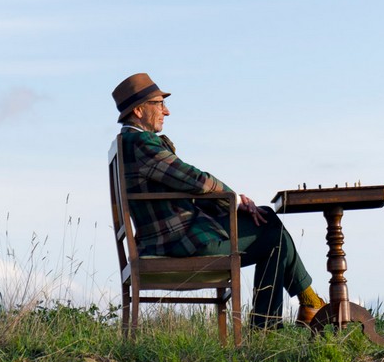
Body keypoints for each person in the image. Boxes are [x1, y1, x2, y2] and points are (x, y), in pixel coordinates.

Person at [111, 72, 326, 329]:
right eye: (159, 104)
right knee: (273, 236)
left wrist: (234, 206)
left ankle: (305, 305)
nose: (166, 111)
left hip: (170, 239)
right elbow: (196, 181)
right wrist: (233, 200)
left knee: (266, 218)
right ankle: (275, 322)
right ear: (138, 110)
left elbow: (183, 188)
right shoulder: (141, 143)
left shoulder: (131, 143)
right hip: (178, 243)